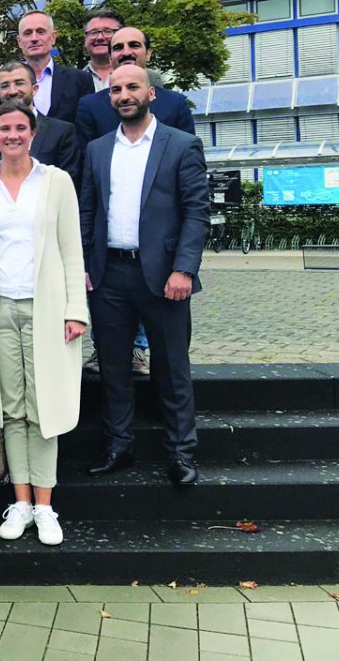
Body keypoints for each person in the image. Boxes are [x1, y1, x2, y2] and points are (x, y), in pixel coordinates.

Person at [0, 101, 89, 546]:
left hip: (48, 309)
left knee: (44, 409)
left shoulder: (56, 182)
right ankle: (19, 502)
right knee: (10, 409)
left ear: (33, 132)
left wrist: (77, 310)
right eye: (4, 129)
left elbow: (72, 250)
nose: (12, 135)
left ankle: (46, 506)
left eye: (20, 127)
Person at [80, 65, 209, 487]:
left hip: (164, 277)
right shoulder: (97, 149)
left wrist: (184, 269)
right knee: (114, 369)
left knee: (171, 369)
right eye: (116, 89)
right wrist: (82, 265)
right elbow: (87, 213)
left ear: (151, 93)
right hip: (109, 274)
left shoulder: (181, 144)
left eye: (132, 87)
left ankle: (181, 453)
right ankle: (119, 446)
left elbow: (196, 212)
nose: (123, 95)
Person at [75, 27, 195, 144]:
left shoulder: (175, 104)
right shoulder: (90, 107)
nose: (126, 52)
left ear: (148, 53)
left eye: (134, 45)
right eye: (118, 47)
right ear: (110, 58)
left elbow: (187, 155)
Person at [0, 61, 80, 185]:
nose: (12, 91)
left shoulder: (62, 132)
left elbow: (68, 183)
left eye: (19, 83)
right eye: (5, 86)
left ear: (35, 89)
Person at [0, 11, 92, 124]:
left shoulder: (79, 80)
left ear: (53, 37)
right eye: (27, 33)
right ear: (19, 41)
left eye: (40, 31)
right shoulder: (3, 86)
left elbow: (85, 129)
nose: (34, 38)